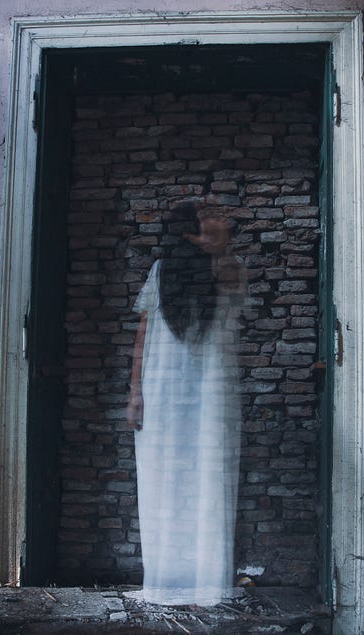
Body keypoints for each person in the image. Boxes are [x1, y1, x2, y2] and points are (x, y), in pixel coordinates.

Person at [127, 201, 244, 606]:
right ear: (189, 234)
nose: (217, 228)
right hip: (163, 395)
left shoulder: (227, 269)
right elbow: (142, 338)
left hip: (213, 395)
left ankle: (208, 581)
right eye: (206, 225)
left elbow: (229, 279)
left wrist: (217, 247)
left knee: (209, 479)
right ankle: (165, 579)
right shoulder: (160, 272)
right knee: (164, 477)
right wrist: (134, 393)